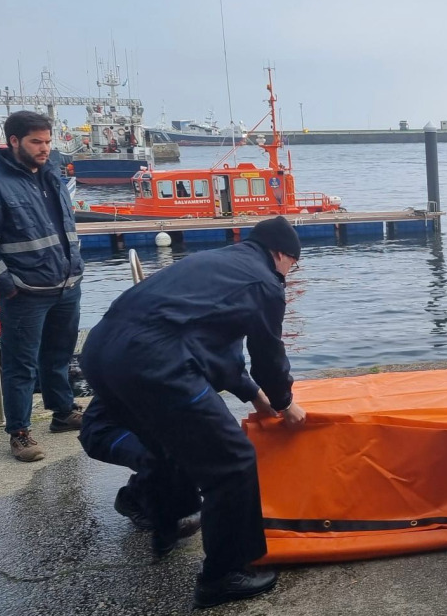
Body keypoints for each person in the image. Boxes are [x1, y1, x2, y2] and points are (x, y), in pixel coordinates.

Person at [81, 216, 307, 609]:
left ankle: (157, 515)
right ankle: (224, 574)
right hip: (153, 361)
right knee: (232, 461)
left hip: (100, 352)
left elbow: (209, 342)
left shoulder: (217, 262)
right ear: (281, 255)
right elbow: (268, 354)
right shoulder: (265, 282)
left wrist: (255, 396)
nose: (290, 273)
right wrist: (285, 402)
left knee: (171, 443)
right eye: (293, 264)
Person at [0, 110, 85, 462]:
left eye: (47, 141)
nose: (45, 148)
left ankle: (62, 413)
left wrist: (74, 271)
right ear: (13, 141)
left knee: (58, 356)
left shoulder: (52, 177)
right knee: (20, 365)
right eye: (36, 142)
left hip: (66, 286)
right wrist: (7, 287)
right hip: (25, 293)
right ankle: (19, 433)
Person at [78, 396, 202, 540]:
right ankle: (133, 498)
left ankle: (160, 491)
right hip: (106, 429)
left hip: (148, 422)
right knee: (170, 458)